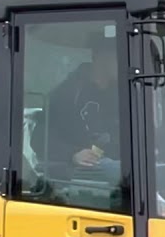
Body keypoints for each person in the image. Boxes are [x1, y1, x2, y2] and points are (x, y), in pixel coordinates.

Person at [45, 28, 122, 181]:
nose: (124, 62)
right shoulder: (68, 93)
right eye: (118, 56)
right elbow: (40, 139)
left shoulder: (121, 94)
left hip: (116, 165)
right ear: (100, 57)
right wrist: (73, 155)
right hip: (80, 176)